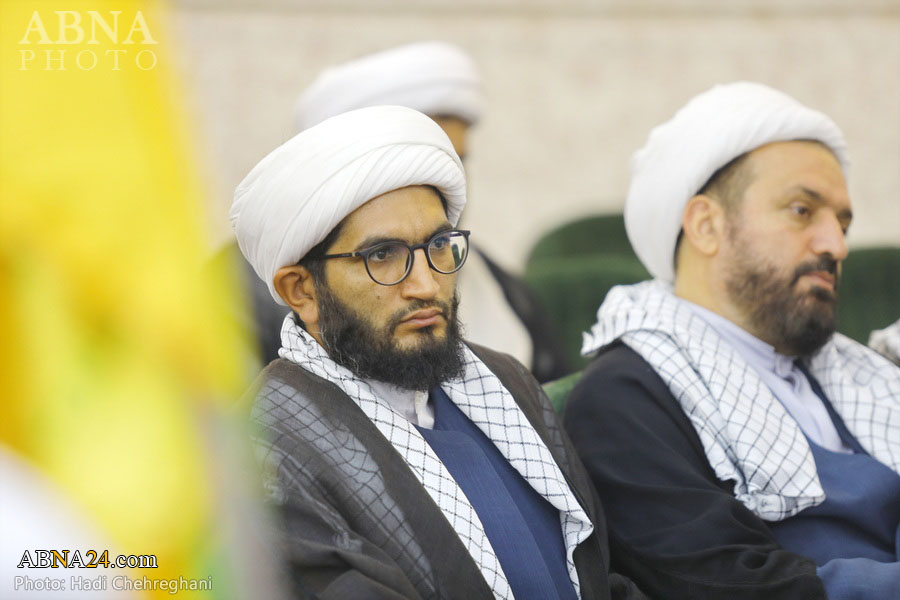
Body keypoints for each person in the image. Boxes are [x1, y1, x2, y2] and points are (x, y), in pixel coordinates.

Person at [231, 105, 645, 599]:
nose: (426, 285)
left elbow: (601, 577)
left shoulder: (506, 381)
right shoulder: (265, 451)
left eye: (439, 244)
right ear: (301, 290)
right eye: (383, 255)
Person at [563, 82, 900, 599]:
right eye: (802, 211)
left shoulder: (857, 377)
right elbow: (733, 586)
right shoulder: (623, 401)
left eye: (843, 224)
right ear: (706, 225)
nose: (836, 245)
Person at [290, 40, 572, 382]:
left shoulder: (508, 292)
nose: (425, 286)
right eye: (381, 254)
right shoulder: (246, 302)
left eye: (454, 161)